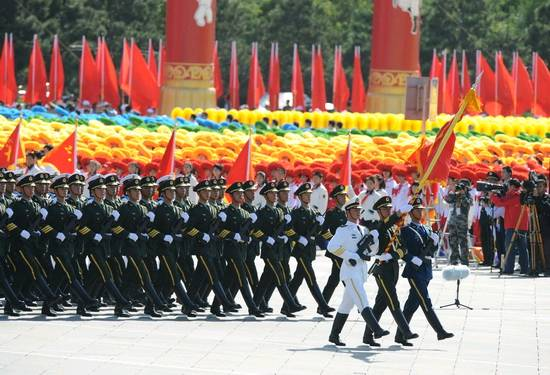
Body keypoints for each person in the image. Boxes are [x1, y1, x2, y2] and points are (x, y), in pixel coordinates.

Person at [327, 197, 390, 346]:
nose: (358, 212)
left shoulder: (363, 229)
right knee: (363, 301)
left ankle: (334, 335)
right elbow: (332, 246)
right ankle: (376, 329)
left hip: (361, 270)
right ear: (348, 212)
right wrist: (350, 256)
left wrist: (374, 239)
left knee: (346, 305)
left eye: (359, 210)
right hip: (350, 272)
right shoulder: (343, 230)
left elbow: (371, 250)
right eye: (354, 210)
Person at [362, 196, 418, 347]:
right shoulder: (378, 227)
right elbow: (384, 226)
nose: (388, 210)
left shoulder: (394, 227)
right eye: (385, 208)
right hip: (382, 270)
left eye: (389, 208)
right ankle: (405, 331)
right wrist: (399, 213)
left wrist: (392, 255)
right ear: (379, 211)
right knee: (393, 301)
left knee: (380, 304)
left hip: (393, 267)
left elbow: (403, 248)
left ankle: (367, 336)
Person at [397, 197, 454, 346]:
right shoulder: (406, 230)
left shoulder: (427, 229)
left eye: (421, 209)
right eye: (417, 210)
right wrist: (410, 259)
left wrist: (435, 242)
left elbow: (432, 252)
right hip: (414, 271)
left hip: (426, 270)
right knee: (425, 301)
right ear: (411, 212)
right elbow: (402, 250)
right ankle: (440, 331)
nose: (420, 212)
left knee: (412, 304)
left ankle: (400, 335)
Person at [113, 174, 170, 317]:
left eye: (139, 190)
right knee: (145, 276)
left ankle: (123, 305)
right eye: (134, 191)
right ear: (128, 192)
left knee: (131, 278)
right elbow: (114, 227)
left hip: (144, 248)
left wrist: (145, 232)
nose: (138, 193)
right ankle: (156, 302)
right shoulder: (124, 208)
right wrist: (128, 234)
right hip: (130, 248)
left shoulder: (144, 209)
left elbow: (148, 228)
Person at [78, 175, 132, 317]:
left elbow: (114, 228)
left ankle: (83, 305)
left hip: (105, 247)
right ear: (92, 191)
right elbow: (81, 227)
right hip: (93, 247)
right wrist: (92, 235)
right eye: (99, 189)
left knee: (95, 277)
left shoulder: (108, 208)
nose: (103, 191)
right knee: (106, 275)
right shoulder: (89, 208)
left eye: (103, 189)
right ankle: (121, 302)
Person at [147, 175, 200, 316]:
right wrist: (163, 236)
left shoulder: (177, 209)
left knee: (162, 278)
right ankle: (188, 305)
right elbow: (150, 230)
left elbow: (182, 230)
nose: (172, 193)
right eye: (169, 191)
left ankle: (149, 304)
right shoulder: (158, 210)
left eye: (173, 190)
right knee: (175, 277)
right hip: (163, 248)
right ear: (163, 193)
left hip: (175, 248)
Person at [252, 181, 304, 317]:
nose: (275, 196)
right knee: (280, 276)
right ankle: (290, 305)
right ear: (265, 195)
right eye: (272, 193)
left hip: (278, 250)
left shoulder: (278, 211)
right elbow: (254, 231)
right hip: (268, 252)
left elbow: (283, 231)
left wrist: (284, 237)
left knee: (265, 281)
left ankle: (254, 305)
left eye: (276, 193)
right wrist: (265, 238)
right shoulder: (262, 213)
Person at [213, 181, 264, 317]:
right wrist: (232, 235)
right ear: (232, 195)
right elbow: (218, 231)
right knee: (242, 278)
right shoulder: (226, 212)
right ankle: (253, 307)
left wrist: (249, 236)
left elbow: (250, 232)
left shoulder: (245, 213)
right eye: (238, 193)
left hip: (242, 250)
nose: (241, 195)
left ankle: (215, 306)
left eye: (242, 193)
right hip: (231, 249)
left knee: (227, 280)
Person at [286, 183, 335, 318]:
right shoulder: (295, 213)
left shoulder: (314, 212)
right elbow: (288, 229)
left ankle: (286, 306)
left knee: (297, 279)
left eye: (309, 194)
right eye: (306, 195)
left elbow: (323, 233)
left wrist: (335, 240)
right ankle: (323, 306)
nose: (308, 196)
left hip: (310, 250)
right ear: (300, 197)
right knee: (311, 278)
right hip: (300, 251)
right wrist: (298, 238)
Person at [491, 178, 529, 274]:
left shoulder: (516, 196)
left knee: (510, 248)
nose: (506, 188)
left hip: (513, 225)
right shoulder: (518, 195)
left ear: (512, 186)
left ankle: (509, 269)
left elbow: (501, 203)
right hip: (521, 226)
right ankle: (525, 268)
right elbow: (503, 200)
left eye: (507, 186)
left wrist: (492, 196)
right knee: (522, 248)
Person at [320, 185, 348, 305]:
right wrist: (334, 242)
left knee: (335, 279)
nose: (343, 198)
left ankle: (322, 304)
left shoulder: (346, 212)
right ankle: (360, 303)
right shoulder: (331, 213)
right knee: (346, 278)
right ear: (335, 198)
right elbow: (324, 231)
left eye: (344, 196)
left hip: (344, 250)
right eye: (341, 196)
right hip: (336, 251)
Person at [445, 182, 473, 265]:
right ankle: (454, 261)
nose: (459, 190)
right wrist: (453, 192)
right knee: (453, 242)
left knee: (463, 243)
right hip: (453, 222)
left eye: (461, 188)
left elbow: (467, 204)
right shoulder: (455, 195)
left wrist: (463, 194)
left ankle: (464, 261)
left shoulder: (468, 197)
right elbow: (447, 199)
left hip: (462, 223)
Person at [533, 177, 550, 276]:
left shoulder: (547, 198)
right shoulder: (534, 197)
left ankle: (548, 268)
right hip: (535, 227)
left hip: (546, 229)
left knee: (547, 250)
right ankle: (537, 267)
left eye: (540, 187)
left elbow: (544, 208)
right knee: (536, 249)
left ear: (545, 188)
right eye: (537, 186)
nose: (538, 189)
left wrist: (537, 198)